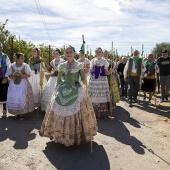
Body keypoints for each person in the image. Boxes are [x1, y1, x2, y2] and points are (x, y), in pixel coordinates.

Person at [41, 45, 97, 146]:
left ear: (74, 53)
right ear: (65, 53)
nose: (69, 54)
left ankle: (76, 136)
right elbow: (59, 80)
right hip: (63, 88)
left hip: (76, 89)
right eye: (67, 52)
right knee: (56, 108)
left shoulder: (79, 65)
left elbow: (84, 82)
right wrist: (58, 88)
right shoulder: (62, 65)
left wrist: (85, 74)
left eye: (71, 52)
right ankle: (58, 134)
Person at [6, 53, 34, 120]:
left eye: (23, 58)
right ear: (17, 59)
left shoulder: (25, 65)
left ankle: (22, 113)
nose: (23, 59)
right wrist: (13, 76)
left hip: (23, 83)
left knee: (22, 97)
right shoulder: (12, 66)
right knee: (15, 97)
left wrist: (21, 75)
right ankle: (17, 112)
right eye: (21, 58)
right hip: (14, 84)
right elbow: (9, 75)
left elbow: (29, 75)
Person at [88, 47, 112, 118]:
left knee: (100, 95)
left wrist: (109, 72)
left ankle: (98, 112)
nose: (98, 53)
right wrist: (88, 70)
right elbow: (91, 70)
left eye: (99, 52)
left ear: (101, 53)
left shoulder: (105, 61)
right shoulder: (92, 61)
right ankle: (93, 111)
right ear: (95, 53)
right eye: (97, 52)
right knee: (93, 95)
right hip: (94, 81)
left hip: (102, 81)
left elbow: (106, 72)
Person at [0, 42, 11, 117]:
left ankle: (4, 110)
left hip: (3, 78)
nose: (0, 48)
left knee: (4, 93)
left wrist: (6, 77)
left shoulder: (5, 56)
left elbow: (9, 67)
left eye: (0, 47)